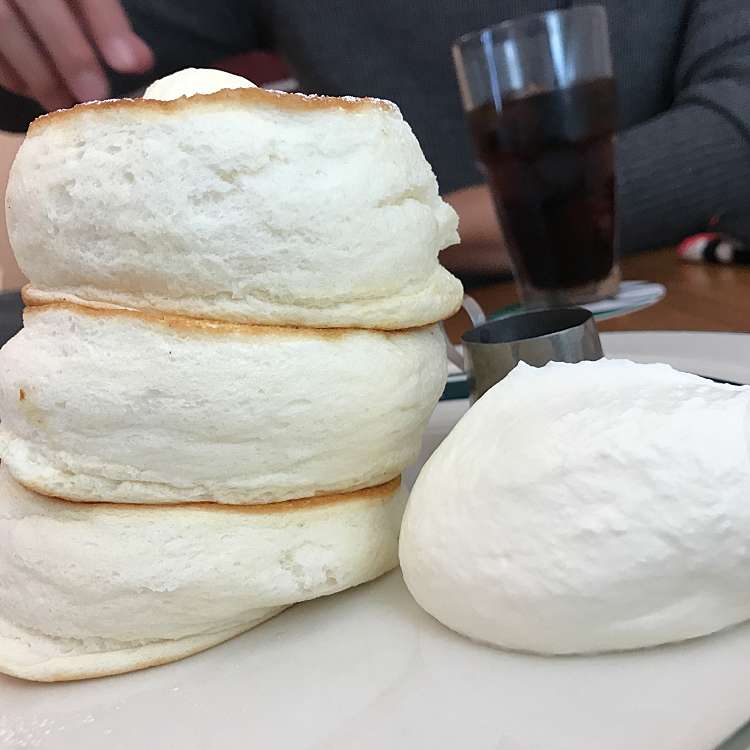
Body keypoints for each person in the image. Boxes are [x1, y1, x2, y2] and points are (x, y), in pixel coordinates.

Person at [1, 0, 749, 277]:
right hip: (402, 346)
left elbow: (732, 129)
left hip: (690, 310)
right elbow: (47, 62)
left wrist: (377, 239)